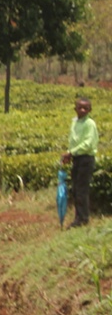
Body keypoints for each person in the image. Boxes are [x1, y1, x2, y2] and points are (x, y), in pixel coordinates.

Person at [62, 97, 98, 227]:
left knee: (81, 189)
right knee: (76, 189)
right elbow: (74, 141)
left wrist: (71, 152)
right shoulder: (75, 122)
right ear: (75, 109)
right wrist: (69, 154)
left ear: (90, 110)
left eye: (86, 108)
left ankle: (83, 219)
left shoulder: (90, 124)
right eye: (80, 107)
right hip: (77, 158)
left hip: (86, 159)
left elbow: (88, 144)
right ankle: (79, 217)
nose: (82, 110)